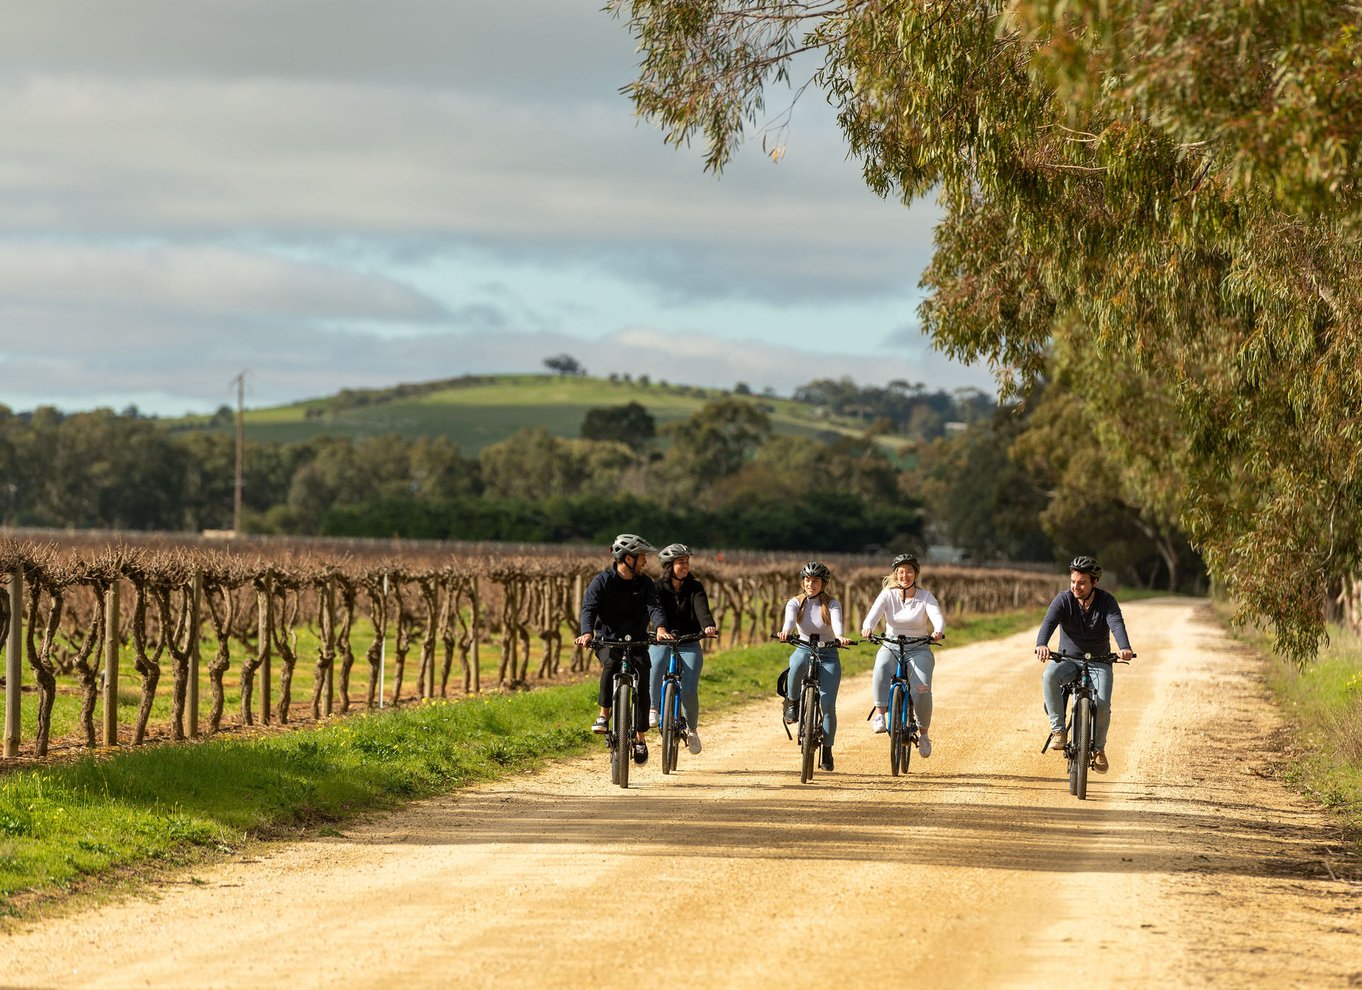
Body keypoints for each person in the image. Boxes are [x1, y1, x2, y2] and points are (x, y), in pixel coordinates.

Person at [576, 533, 673, 766]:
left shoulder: (646, 583)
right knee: (610, 664)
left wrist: (660, 628)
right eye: (641, 557)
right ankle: (603, 715)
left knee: (643, 680)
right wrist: (587, 632)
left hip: (637, 640)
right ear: (627, 558)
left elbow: (655, 607)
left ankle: (640, 738)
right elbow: (589, 608)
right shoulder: (602, 581)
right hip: (609, 640)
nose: (645, 562)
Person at [1035, 555, 1135, 774]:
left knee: (1101, 704)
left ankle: (1099, 749)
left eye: (1081, 583)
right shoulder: (1063, 600)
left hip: (1100, 661)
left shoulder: (1107, 601)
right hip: (1068, 659)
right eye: (1073, 581)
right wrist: (1042, 644)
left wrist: (1124, 647)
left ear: (1094, 583)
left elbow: (1116, 624)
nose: (1075, 587)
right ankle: (1058, 731)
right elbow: (1049, 622)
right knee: (1049, 676)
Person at [860, 552, 944, 757]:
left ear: (915, 574)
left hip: (919, 646)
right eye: (900, 572)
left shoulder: (925, 597)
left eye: (908, 572)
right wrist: (867, 628)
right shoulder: (887, 594)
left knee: (922, 689)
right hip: (891, 644)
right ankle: (880, 714)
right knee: (880, 667)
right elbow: (873, 615)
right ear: (895, 574)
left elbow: (937, 616)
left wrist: (937, 631)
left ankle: (923, 735)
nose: (904, 575)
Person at [647, 543, 719, 755]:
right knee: (656, 664)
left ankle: (692, 730)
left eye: (687, 562)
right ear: (669, 565)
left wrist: (707, 625)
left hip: (689, 641)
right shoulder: (657, 587)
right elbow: (655, 610)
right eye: (680, 562)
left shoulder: (695, 587)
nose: (685, 566)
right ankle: (653, 707)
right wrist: (659, 629)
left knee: (689, 689)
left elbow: (702, 608)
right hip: (663, 639)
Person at [777, 561, 850, 772]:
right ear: (802, 582)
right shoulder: (795, 603)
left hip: (828, 653)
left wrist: (839, 637)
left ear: (823, 583)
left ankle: (827, 751)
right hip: (804, 648)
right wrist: (786, 632)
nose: (811, 584)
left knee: (828, 706)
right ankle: (792, 702)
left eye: (815, 581)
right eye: (807, 580)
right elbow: (789, 622)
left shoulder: (832, 604)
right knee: (796, 663)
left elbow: (837, 623)